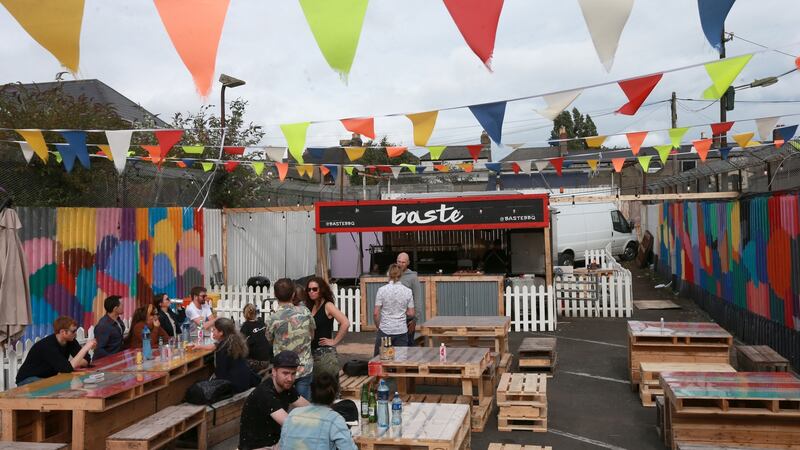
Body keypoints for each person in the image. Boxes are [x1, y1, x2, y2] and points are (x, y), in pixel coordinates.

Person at [239, 351, 310, 450]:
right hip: (257, 447)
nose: (290, 378)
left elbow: (310, 408)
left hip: (274, 443)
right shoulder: (265, 393)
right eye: (285, 373)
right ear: (274, 372)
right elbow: (291, 425)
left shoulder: (286, 387)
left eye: (293, 373)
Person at [266, 278, 315, 401]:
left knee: (283, 407)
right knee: (304, 409)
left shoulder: (273, 318)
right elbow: (312, 335)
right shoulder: (305, 311)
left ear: (275, 295)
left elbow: (269, 340)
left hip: (284, 370)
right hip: (304, 367)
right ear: (293, 294)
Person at [279, 372, 357, 450]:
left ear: (311, 391)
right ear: (334, 396)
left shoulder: (293, 414)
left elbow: (282, 445)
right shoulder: (334, 419)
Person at [15, 316, 96, 386]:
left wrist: (71, 364)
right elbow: (67, 369)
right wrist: (85, 348)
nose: (75, 334)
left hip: (46, 378)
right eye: (73, 331)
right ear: (63, 332)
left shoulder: (70, 341)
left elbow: (87, 359)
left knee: (66, 383)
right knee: (59, 387)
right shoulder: (48, 346)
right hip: (28, 379)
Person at [193, 317, 260, 393]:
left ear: (221, 332)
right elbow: (215, 346)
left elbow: (221, 374)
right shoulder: (235, 341)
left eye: (214, 329)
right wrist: (200, 346)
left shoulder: (223, 348)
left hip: (234, 387)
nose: (212, 332)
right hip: (245, 381)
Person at [306, 276, 349, 380]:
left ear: (321, 290)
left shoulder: (327, 305)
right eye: (309, 289)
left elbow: (345, 323)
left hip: (325, 355)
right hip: (311, 353)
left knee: (328, 386)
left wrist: (334, 341)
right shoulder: (310, 306)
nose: (311, 292)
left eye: (315, 289)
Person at [373, 264, 415, 356]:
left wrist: (379, 327)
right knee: (400, 362)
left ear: (388, 274)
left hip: (385, 329)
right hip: (401, 330)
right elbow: (411, 313)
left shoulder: (382, 290)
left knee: (381, 360)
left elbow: (376, 313)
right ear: (401, 276)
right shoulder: (408, 291)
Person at [395, 252, 422, 346]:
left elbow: (417, 299)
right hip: (393, 318)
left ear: (408, 263)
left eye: (403, 262)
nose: (401, 264)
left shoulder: (413, 277)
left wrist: (415, 320)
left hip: (407, 319)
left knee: (408, 346)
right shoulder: (392, 275)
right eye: (399, 261)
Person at [240, 303, 272, 376]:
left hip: (256, 362)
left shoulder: (245, 326)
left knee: (238, 361)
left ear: (245, 314)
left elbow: (240, 344)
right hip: (267, 360)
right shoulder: (261, 323)